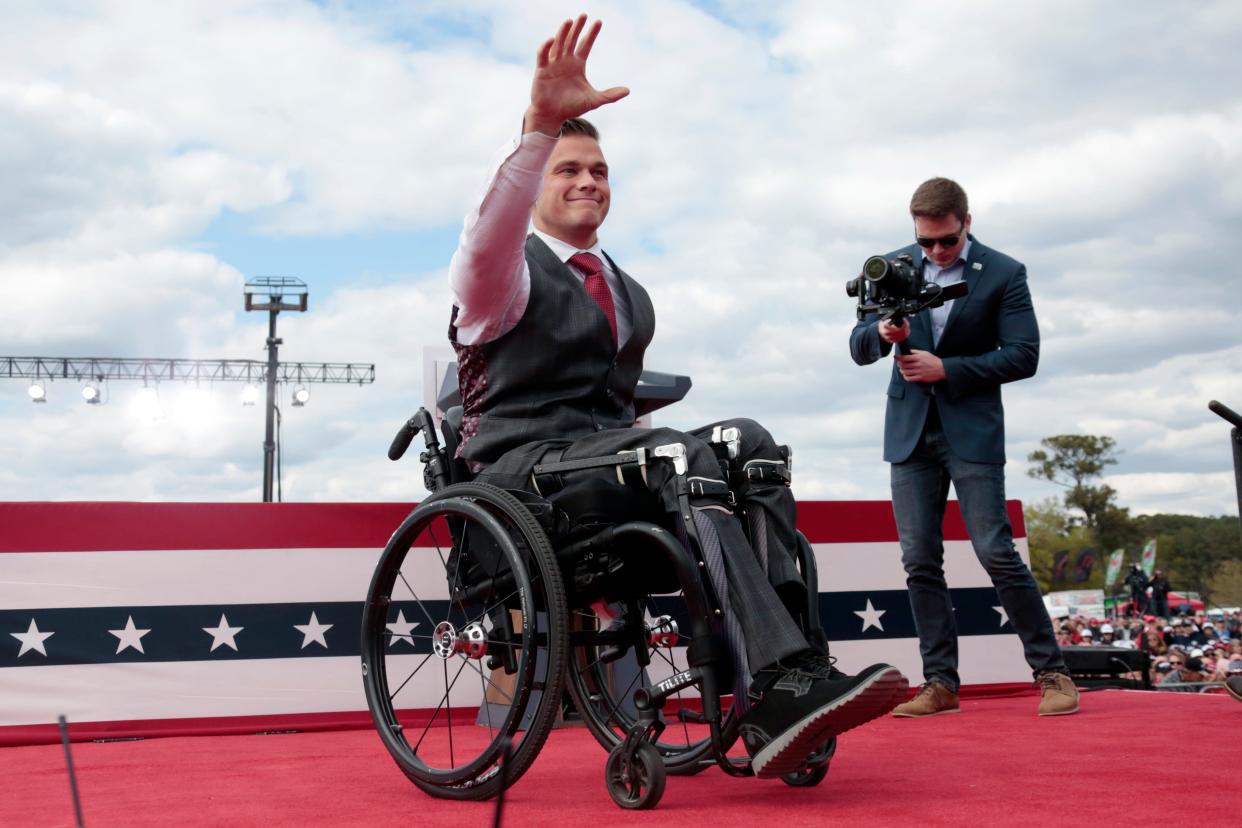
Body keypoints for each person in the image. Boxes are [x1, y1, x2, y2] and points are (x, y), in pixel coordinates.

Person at [445, 15, 906, 778]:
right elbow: (482, 236)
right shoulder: (504, 276)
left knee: (747, 443)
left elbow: (624, 409)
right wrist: (537, 130)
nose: (588, 180)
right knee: (675, 452)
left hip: (604, 465)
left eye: (597, 169)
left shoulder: (629, 290)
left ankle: (789, 684)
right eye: (568, 170)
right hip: (519, 472)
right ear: (536, 190)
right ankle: (779, 676)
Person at [849, 177, 1078, 717]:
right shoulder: (889, 265)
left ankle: (1052, 674)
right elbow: (858, 348)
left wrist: (947, 369)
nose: (933, 252)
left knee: (996, 551)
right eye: (925, 241)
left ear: (966, 223)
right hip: (909, 433)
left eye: (945, 241)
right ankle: (941, 684)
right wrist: (883, 334)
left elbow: (1024, 355)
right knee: (919, 561)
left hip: (971, 430)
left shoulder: (1004, 272)